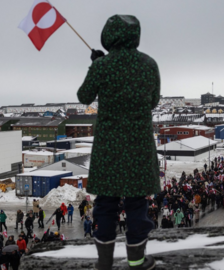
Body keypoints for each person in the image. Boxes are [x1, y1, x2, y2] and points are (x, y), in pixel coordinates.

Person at [77, 14, 160, 270]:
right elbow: (154, 101)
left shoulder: (103, 67)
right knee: (137, 204)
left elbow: (84, 96)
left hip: (108, 148)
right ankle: (136, 260)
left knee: (105, 204)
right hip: (138, 146)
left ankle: (104, 264)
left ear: (108, 35)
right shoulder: (149, 64)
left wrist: (97, 65)